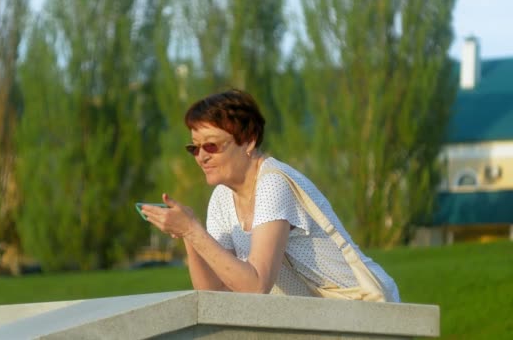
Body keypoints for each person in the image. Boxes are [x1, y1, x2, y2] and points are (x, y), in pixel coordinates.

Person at [141, 89, 400, 301]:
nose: (202, 156)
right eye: (193, 148)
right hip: (321, 320)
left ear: (249, 140)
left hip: (364, 313)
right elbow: (214, 292)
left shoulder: (273, 183)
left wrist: (192, 230)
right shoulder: (221, 197)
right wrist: (189, 235)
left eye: (211, 145)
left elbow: (255, 286)